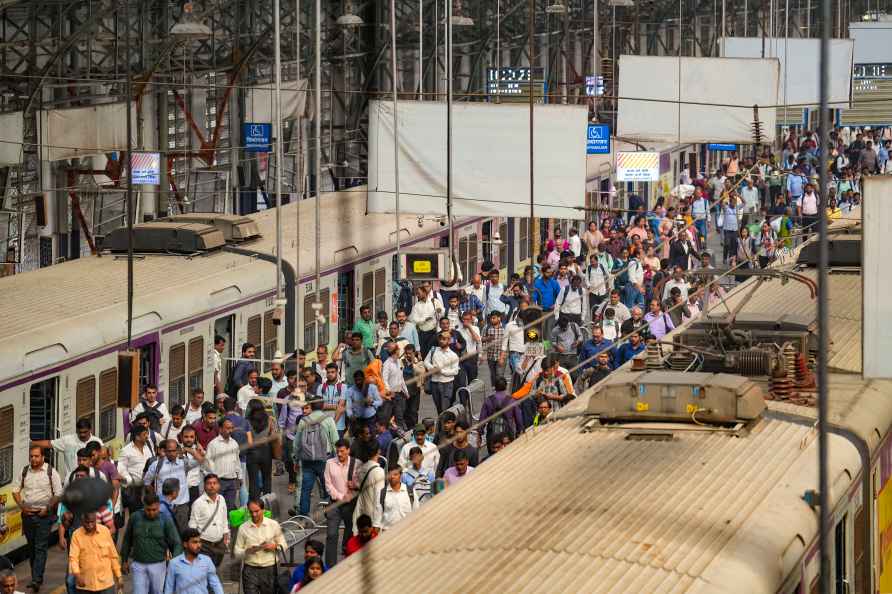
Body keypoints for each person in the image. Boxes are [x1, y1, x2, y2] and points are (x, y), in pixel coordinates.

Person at [13, 446, 62, 593]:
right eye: (31, 456)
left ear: (43, 457)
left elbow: (58, 493)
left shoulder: (50, 472)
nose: (33, 459)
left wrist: (47, 508)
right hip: (27, 515)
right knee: (32, 547)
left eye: (36, 456)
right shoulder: (24, 471)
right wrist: (22, 506)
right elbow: (16, 490)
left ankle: (36, 579)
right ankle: (36, 575)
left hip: (43, 516)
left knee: (40, 547)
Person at [121, 492, 181, 594]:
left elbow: (177, 543)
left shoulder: (165, 520)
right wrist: (124, 560)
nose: (151, 513)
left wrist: (174, 564)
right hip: (138, 564)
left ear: (159, 506)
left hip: (158, 565)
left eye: (154, 510)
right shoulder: (135, 518)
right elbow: (127, 539)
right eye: (148, 510)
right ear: (143, 506)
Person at [294, 397, 338, 516]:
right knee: (328, 487)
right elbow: (335, 440)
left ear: (311, 406)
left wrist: (296, 459)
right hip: (325, 459)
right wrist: (338, 459)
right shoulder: (328, 419)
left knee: (306, 489)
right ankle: (330, 513)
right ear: (323, 406)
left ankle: (304, 516)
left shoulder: (304, 420)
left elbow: (297, 443)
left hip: (307, 459)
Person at [234, 499, 287, 594]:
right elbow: (237, 552)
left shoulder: (273, 525)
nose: (254, 515)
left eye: (256, 511)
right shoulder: (243, 528)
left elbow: (283, 544)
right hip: (250, 569)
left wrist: (274, 546)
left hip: (270, 568)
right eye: (251, 512)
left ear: (263, 510)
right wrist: (247, 551)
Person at [323, 439, 358, 567]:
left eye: (342, 451)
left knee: (350, 533)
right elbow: (328, 484)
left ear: (348, 450)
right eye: (337, 451)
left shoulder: (356, 464)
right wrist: (340, 497)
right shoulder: (329, 463)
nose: (339, 454)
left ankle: (348, 562)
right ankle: (330, 566)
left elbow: (361, 483)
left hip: (351, 505)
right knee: (331, 534)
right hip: (334, 503)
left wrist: (355, 486)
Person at [32, 418, 102, 482]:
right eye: (80, 432)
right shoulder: (68, 440)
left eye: (85, 432)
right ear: (76, 430)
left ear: (90, 430)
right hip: (72, 481)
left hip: (91, 480)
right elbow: (49, 443)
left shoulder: (97, 442)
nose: (82, 435)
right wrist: (30, 443)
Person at [68, 512, 122, 594]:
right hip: (86, 585)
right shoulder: (76, 535)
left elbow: (113, 556)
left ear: (96, 520)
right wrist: (77, 575)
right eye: (87, 522)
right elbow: (73, 558)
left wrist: (119, 576)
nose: (90, 525)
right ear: (82, 521)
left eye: (92, 522)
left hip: (106, 584)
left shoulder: (105, 531)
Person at [163, 528, 224, 594]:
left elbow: (215, 584)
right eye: (195, 542)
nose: (199, 545)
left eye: (200, 542)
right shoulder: (174, 564)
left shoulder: (207, 561)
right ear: (185, 544)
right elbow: (169, 588)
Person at [188, 474, 230, 568]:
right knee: (204, 572)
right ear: (204, 486)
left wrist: (226, 537)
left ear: (219, 485)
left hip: (219, 544)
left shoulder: (221, 499)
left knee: (215, 570)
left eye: (214, 483)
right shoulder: (198, 503)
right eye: (209, 483)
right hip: (204, 546)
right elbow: (192, 525)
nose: (212, 486)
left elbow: (224, 519)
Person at [205, 418, 242, 510]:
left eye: (232, 428)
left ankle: (227, 524)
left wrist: (239, 477)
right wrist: (214, 481)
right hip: (219, 482)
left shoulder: (234, 444)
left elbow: (237, 461)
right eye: (228, 428)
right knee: (217, 508)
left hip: (232, 482)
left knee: (230, 507)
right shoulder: (213, 444)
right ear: (220, 429)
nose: (230, 431)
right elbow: (208, 463)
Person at [478, 377, 521, 453]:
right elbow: (519, 419)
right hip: (508, 435)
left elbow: (482, 420)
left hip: (492, 435)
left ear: (494, 387)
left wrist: (480, 434)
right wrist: (519, 432)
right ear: (506, 386)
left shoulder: (488, 400)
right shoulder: (512, 401)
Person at [352, 440, 386, 533]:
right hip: (372, 516)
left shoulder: (360, 469)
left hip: (360, 512)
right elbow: (379, 498)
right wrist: (377, 523)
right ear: (378, 451)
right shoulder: (378, 471)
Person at [424, 331, 460, 415]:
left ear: (449, 341)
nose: (441, 341)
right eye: (440, 339)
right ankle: (441, 426)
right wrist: (432, 368)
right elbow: (426, 361)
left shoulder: (453, 355)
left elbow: (455, 371)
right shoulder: (433, 350)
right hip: (434, 383)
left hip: (447, 384)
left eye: (444, 339)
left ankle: (444, 425)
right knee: (438, 408)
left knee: (445, 408)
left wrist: (442, 371)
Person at [380, 340, 409, 430]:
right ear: (395, 351)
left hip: (399, 395)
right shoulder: (387, 364)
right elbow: (384, 380)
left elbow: (401, 378)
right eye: (398, 349)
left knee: (399, 417)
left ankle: (400, 434)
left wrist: (406, 391)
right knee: (386, 417)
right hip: (390, 396)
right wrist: (389, 392)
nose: (399, 350)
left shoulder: (399, 362)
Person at [378, 466, 415, 530]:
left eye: (395, 474)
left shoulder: (410, 491)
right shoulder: (382, 493)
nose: (392, 477)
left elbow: (416, 512)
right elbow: (377, 517)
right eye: (390, 474)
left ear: (401, 475)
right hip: (388, 533)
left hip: (407, 531)